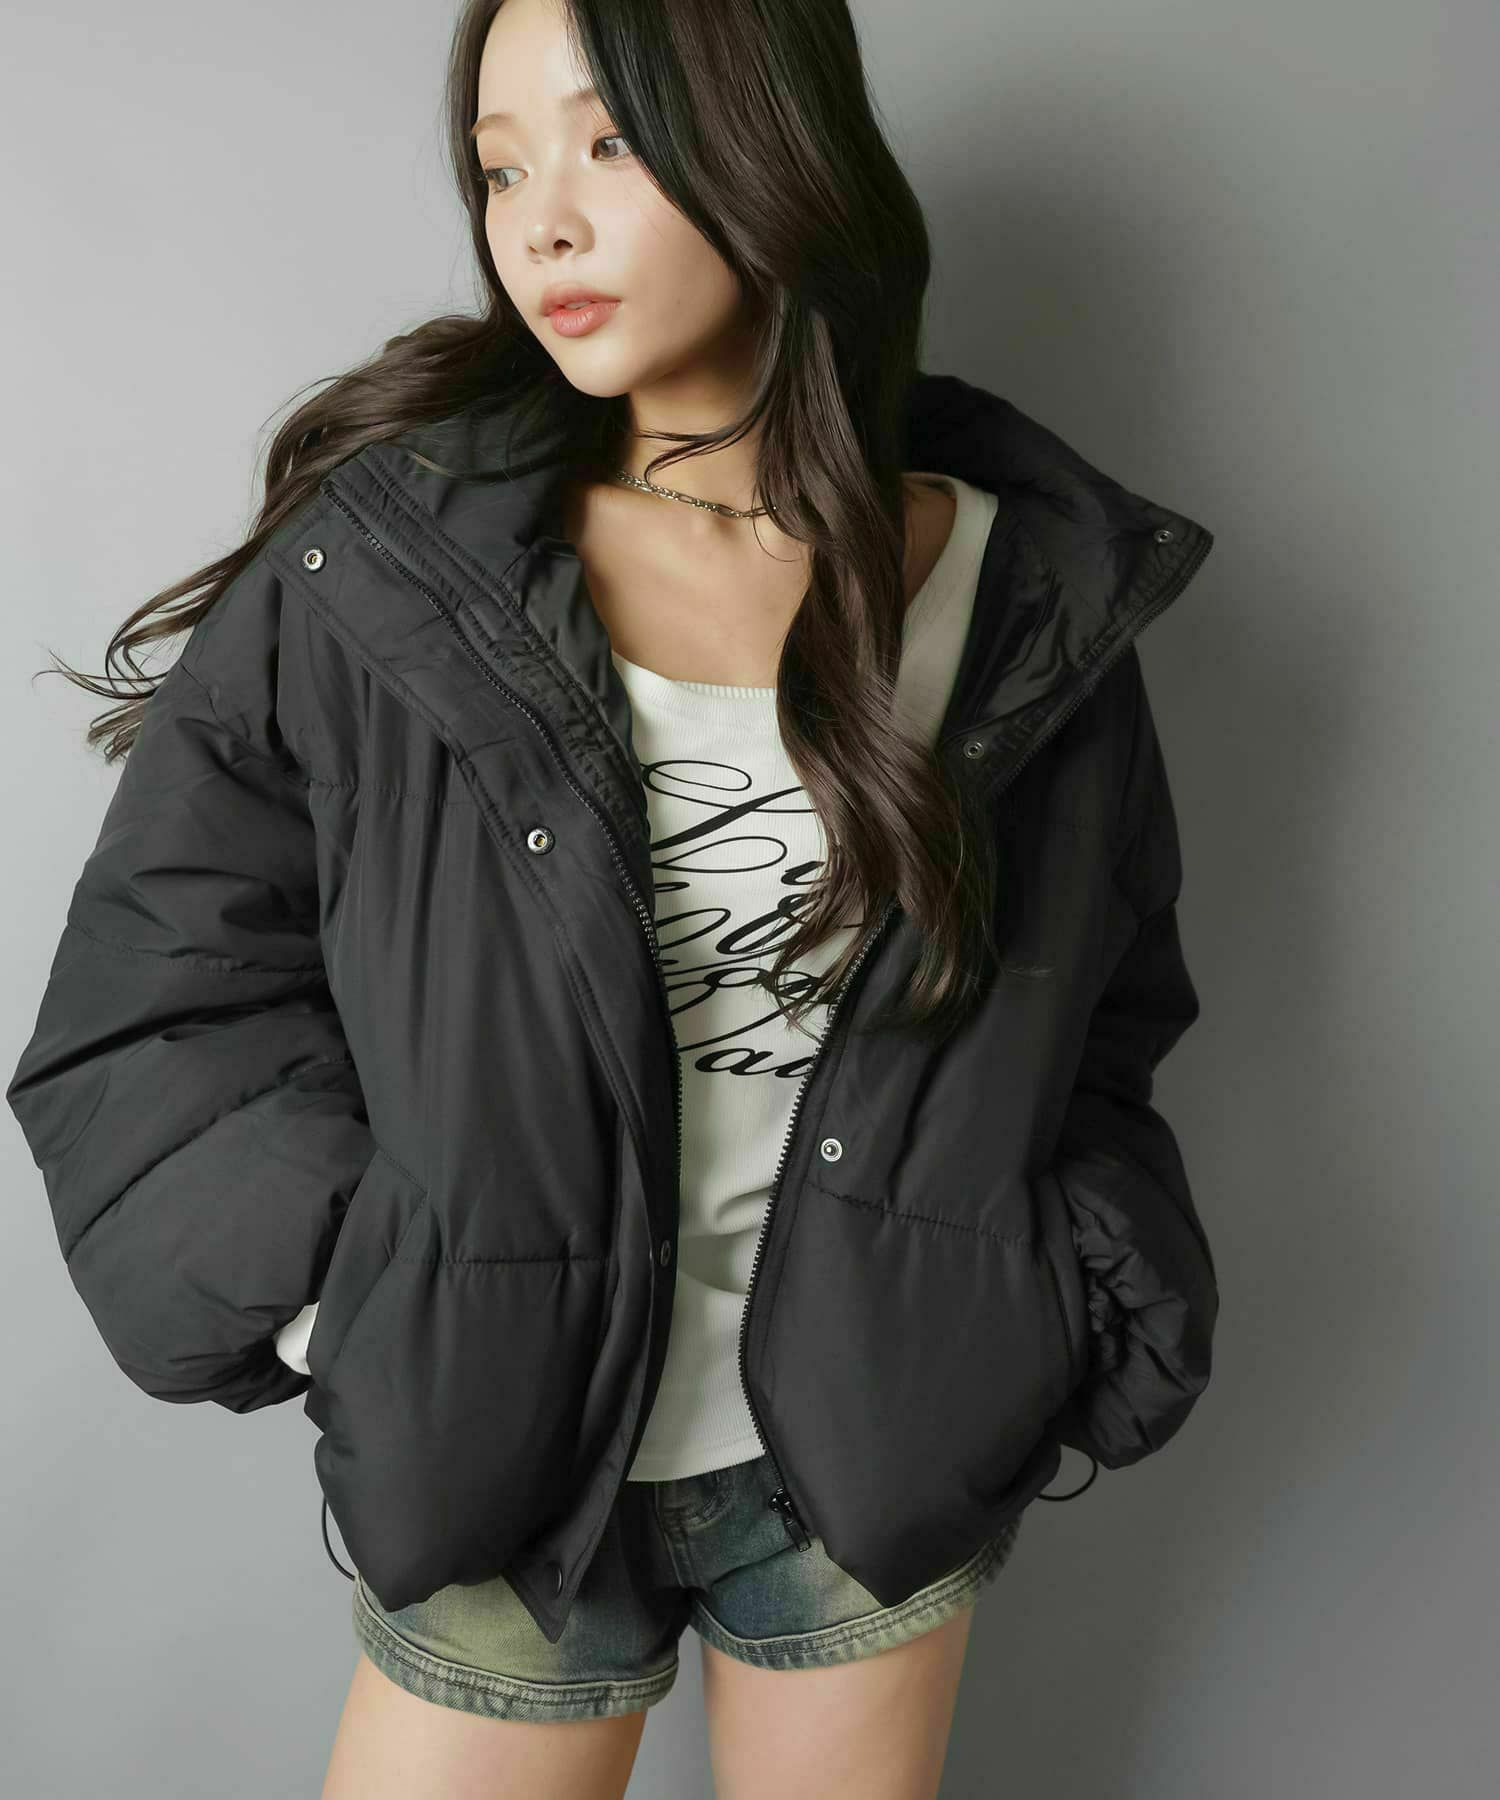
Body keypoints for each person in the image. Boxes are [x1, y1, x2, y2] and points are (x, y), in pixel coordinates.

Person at [5, 1, 1220, 1795]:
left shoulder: (1011, 592)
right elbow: (154, 1000)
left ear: (773, 146)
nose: (543, 224)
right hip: (511, 1461)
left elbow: (1104, 1013)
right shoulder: (397, 574)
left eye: (607, 144)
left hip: (870, 1457)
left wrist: (1025, 1303)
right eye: (500, 171)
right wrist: (375, 1310)